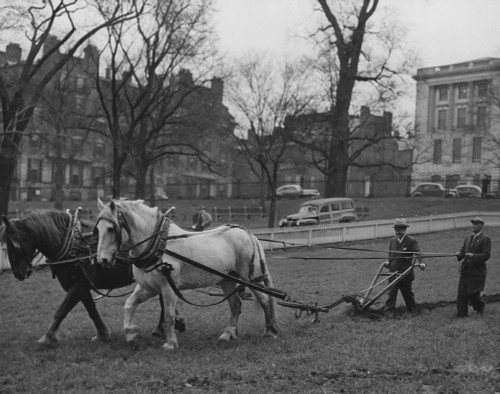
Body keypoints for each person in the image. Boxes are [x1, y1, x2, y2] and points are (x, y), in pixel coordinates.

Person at [383, 218, 425, 316]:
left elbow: (418, 253)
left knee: (407, 295)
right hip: (393, 273)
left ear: (405, 229)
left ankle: (413, 312)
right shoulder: (392, 240)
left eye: (399, 229)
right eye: (396, 229)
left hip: (405, 274)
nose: (397, 231)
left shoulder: (411, 241)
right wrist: (388, 262)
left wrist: (422, 263)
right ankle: (388, 314)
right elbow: (391, 255)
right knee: (391, 294)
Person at [455, 217, 491, 318]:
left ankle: (479, 308)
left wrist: (473, 256)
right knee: (461, 294)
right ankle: (461, 316)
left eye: (476, 224)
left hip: (477, 272)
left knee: (472, 293)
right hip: (465, 270)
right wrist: (459, 254)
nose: (474, 226)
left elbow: (486, 255)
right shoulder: (467, 238)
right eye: (473, 224)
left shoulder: (485, 239)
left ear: (481, 226)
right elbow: (463, 251)